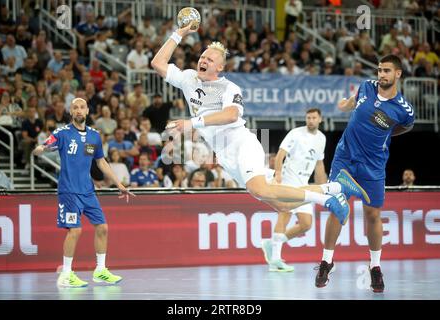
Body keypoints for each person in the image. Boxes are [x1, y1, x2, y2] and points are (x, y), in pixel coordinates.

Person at [151, 23, 369, 232]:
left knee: (259, 188)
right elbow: (157, 63)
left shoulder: (228, 87)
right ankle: (336, 187)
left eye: (210, 58)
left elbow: (231, 114)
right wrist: (178, 34)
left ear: (219, 67)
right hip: (226, 156)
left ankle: (328, 200)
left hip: (243, 144)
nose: (203, 60)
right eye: (202, 56)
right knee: (282, 205)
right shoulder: (189, 78)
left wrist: (192, 123)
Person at [315, 54, 415, 293]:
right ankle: (327, 261)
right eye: (380, 70)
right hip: (345, 157)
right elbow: (353, 101)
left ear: (398, 74)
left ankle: (375, 267)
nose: (381, 74)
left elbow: (406, 126)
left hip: (373, 164)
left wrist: (387, 133)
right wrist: (344, 105)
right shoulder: (366, 87)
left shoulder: (403, 110)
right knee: (337, 206)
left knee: (372, 214)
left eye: (387, 71)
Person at [33, 97, 135, 288]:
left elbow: (101, 162)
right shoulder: (62, 133)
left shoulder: (94, 136)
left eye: (82, 107)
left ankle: (100, 270)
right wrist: (40, 149)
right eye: (75, 108)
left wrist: (118, 184)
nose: (79, 110)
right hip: (69, 191)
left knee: (103, 227)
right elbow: (46, 145)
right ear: (71, 112)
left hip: (88, 192)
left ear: (87, 111)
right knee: (75, 230)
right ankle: (65, 274)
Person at [262, 108, 327, 272]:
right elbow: (280, 154)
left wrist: (323, 187)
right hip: (289, 179)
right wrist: (278, 175)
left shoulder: (321, 138)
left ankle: (272, 244)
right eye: (308, 117)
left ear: (320, 119)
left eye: (313, 117)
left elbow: (319, 165)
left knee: (306, 224)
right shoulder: (296, 133)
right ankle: (275, 261)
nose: (310, 120)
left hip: (304, 183)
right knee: (284, 215)